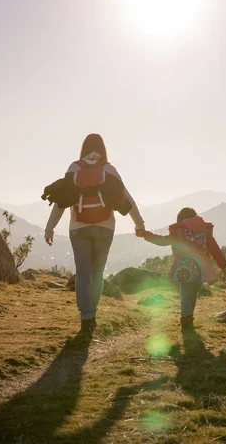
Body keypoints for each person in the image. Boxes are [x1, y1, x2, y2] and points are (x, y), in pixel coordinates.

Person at [45, 133, 145, 335]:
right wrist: (139, 224)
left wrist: (50, 227)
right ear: (103, 148)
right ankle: (94, 314)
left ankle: (86, 317)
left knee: (82, 273)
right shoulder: (109, 169)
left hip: (78, 227)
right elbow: (127, 198)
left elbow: (61, 201)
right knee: (97, 273)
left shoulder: (74, 168)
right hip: (105, 227)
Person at [137, 207, 226, 329]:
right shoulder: (204, 230)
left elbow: (162, 241)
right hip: (201, 269)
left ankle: (186, 318)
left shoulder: (178, 231)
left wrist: (146, 235)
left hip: (184, 269)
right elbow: (213, 247)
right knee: (194, 292)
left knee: (186, 293)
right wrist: (222, 264)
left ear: (180, 219)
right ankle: (189, 316)